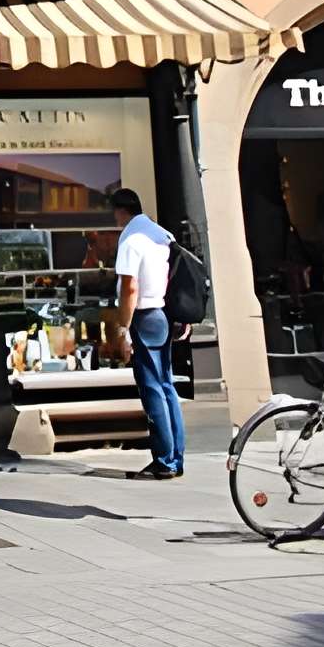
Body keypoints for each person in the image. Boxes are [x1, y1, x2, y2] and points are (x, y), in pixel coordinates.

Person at [110, 187, 185, 480]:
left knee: (152, 388)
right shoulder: (161, 234)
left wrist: (122, 327)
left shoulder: (131, 239)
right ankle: (176, 457)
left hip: (143, 316)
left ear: (119, 211)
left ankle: (164, 460)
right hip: (163, 314)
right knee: (167, 386)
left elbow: (130, 288)